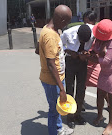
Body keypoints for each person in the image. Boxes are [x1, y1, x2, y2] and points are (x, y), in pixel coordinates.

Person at [87, 19, 112, 135]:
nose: (97, 37)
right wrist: (95, 53)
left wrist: (90, 57)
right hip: (104, 73)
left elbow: (104, 61)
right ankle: (99, 116)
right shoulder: (98, 39)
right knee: (100, 95)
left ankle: (110, 124)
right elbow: (93, 50)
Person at [38, 5, 73, 135]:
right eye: (67, 23)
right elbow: (51, 64)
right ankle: (54, 132)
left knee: (57, 107)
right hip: (53, 81)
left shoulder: (47, 28)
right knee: (54, 110)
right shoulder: (51, 36)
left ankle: (59, 128)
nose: (66, 26)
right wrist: (62, 89)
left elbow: (38, 50)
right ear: (62, 20)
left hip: (54, 78)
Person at [61, 24, 94, 129]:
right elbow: (60, 46)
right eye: (81, 41)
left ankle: (78, 114)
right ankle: (70, 116)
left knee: (81, 89)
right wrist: (70, 51)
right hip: (71, 61)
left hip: (82, 62)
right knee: (69, 89)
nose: (83, 43)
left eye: (85, 41)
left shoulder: (92, 34)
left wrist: (87, 52)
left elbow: (92, 48)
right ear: (77, 35)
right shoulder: (68, 33)